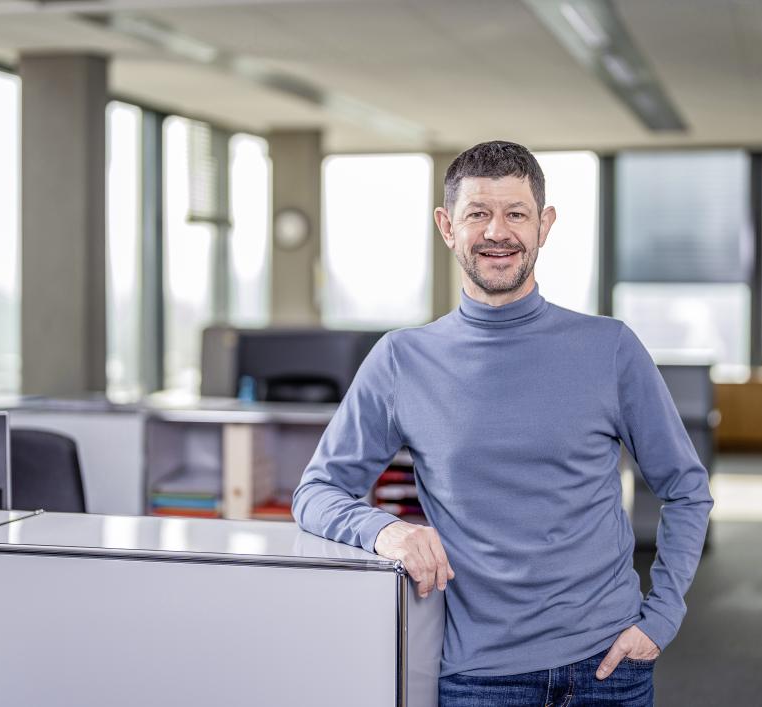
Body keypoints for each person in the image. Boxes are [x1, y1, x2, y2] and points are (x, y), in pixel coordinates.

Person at [292, 140, 713, 706]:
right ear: (447, 226)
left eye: (516, 213)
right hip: (477, 678)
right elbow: (315, 492)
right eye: (477, 214)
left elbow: (686, 488)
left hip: (608, 667)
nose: (498, 232)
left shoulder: (608, 348)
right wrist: (385, 530)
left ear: (545, 224)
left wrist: (661, 617)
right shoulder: (402, 360)